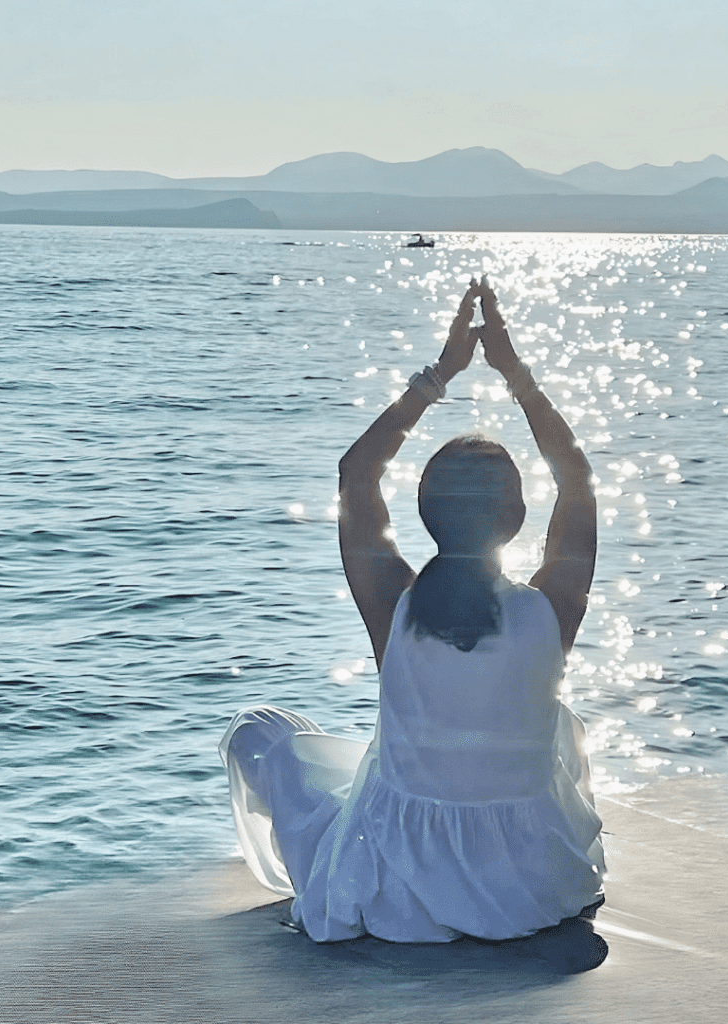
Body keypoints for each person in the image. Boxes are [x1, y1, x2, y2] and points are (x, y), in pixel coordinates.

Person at [219, 277, 606, 967]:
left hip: (396, 891)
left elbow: (356, 472)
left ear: (424, 513)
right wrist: (513, 371)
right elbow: (575, 475)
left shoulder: (395, 605)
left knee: (261, 730)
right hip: (533, 889)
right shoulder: (549, 610)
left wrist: (441, 374)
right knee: (559, 720)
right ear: (519, 518)